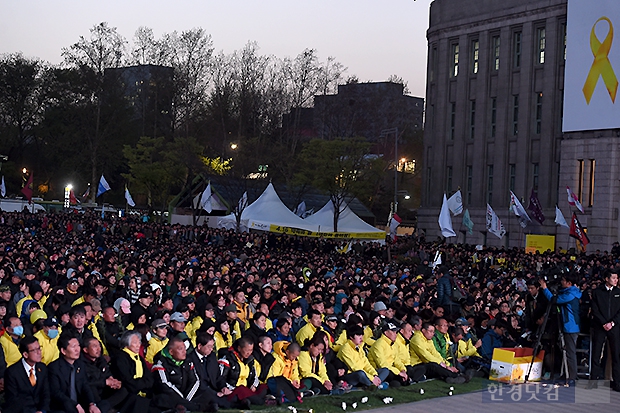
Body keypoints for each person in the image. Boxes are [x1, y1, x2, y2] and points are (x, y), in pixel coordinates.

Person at [151, 337, 217, 412]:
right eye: (180, 349)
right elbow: (165, 385)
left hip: (185, 395)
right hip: (170, 395)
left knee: (206, 392)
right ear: (171, 352)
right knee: (164, 398)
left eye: (185, 348)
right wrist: (182, 399)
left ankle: (186, 407)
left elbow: (195, 381)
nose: (184, 351)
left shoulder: (188, 361)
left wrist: (186, 399)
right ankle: (196, 407)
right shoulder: (160, 364)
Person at [540, 273, 581, 385]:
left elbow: (554, 300)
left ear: (569, 283)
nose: (561, 282)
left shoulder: (570, 294)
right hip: (566, 326)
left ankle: (572, 377)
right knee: (565, 352)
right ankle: (566, 374)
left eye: (563, 280)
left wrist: (544, 288)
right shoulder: (568, 292)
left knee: (570, 353)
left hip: (570, 327)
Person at [48, 333, 101, 413]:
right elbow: (56, 393)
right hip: (62, 406)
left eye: (78, 346)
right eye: (73, 347)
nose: (77, 349)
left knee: (101, 406)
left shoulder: (80, 364)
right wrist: (75, 404)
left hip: (80, 404)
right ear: (63, 351)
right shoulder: (54, 368)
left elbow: (85, 386)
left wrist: (91, 404)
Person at [218, 336, 271, 407]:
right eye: (247, 350)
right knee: (241, 390)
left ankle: (248, 400)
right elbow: (220, 377)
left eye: (251, 350)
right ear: (239, 348)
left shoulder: (250, 360)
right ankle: (263, 401)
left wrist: (253, 385)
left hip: (247, 389)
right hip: (233, 390)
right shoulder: (228, 359)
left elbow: (254, 376)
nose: (249, 353)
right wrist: (224, 388)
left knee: (263, 387)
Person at [589, 269, 620, 390]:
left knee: (616, 355)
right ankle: (593, 381)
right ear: (606, 279)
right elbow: (595, 310)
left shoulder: (619, 292)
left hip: (614, 327)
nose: (616, 280)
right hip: (600, 327)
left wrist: (612, 323)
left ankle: (617, 382)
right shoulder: (597, 292)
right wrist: (603, 323)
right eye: (613, 278)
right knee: (596, 354)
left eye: (617, 278)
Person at [3, 335, 50, 413]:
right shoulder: (12, 372)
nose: (39, 352)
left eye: (39, 348)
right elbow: (13, 400)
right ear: (25, 354)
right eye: (34, 350)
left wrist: (42, 410)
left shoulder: (42, 368)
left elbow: (46, 393)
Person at [81, 336, 128, 412]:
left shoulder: (100, 359)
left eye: (99, 345)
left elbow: (107, 372)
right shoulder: (81, 363)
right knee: (92, 389)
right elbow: (86, 383)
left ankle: (101, 408)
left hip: (104, 390)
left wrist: (112, 380)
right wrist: (105, 382)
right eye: (95, 346)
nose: (99, 349)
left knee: (124, 389)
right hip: (92, 394)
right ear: (86, 350)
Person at [110, 330, 154, 412]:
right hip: (126, 394)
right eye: (135, 343)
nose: (138, 345)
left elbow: (149, 378)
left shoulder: (139, 358)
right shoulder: (120, 358)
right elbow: (127, 381)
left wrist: (143, 384)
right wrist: (143, 384)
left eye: (139, 342)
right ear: (126, 344)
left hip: (142, 391)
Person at [189, 332, 232, 409]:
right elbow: (196, 382)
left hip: (214, 389)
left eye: (212, 346)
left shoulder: (211, 356)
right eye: (209, 346)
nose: (211, 349)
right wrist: (215, 393)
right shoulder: (190, 359)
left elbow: (218, 377)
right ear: (199, 346)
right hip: (200, 392)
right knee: (215, 398)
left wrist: (223, 387)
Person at [368, 322, 409, 387]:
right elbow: (382, 364)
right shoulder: (378, 345)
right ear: (386, 333)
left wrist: (402, 370)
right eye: (393, 332)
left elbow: (396, 360)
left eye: (396, 332)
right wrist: (398, 372)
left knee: (408, 371)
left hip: (391, 369)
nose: (396, 334)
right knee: (392, 375)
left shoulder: (392, 344)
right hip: (380, 371)